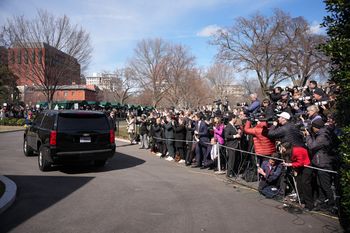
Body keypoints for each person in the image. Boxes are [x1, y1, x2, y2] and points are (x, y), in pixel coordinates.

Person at [305, 118, 336, 211]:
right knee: (320, 183)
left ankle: (331, 204)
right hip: (320, 163)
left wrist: (308, 136)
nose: (311, 129)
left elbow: (312, 146)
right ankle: (322, 200)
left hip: (324, 164)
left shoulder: (322, 136)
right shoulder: (321, 133)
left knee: (326, 185)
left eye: (312, 127)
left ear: (316, 127)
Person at [280, 142, 314, 211]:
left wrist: (289, 164)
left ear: (286, 147)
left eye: (282, 147)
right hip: (298, 167)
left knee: (305, 185)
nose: (281, 148)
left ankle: (309, 205)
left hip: (306, 166)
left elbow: (300, 162)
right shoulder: (287, 152)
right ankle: (301, 200)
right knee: (299, 184)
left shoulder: (297, 151)